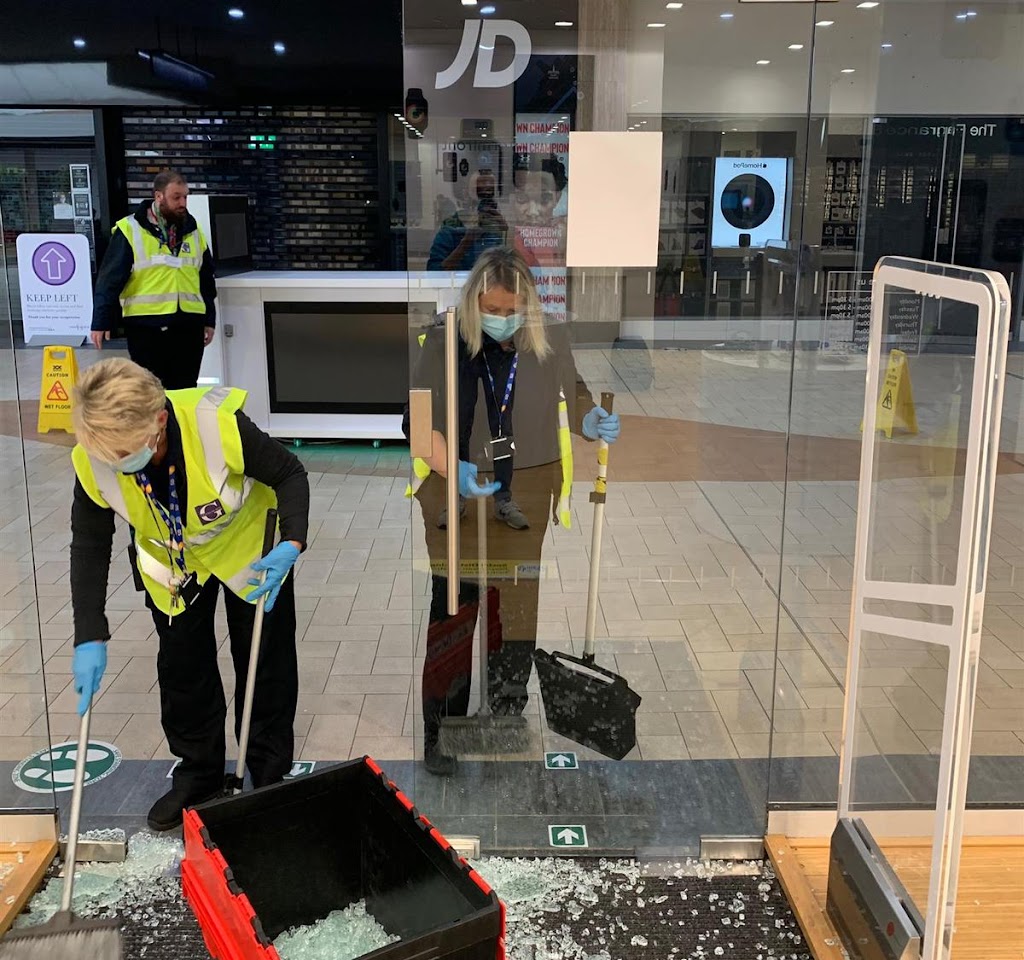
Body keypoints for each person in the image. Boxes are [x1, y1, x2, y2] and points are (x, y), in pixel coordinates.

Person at [403, 247, 620, 774]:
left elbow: (575, 393)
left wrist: (590, 420)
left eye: (513, 309)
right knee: (455, 610)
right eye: (493, 309)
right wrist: (452, 467)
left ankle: (504, 715)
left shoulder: (548, 341)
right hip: (456, 497)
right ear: (473, 303)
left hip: (524, 493)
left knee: (516, 609)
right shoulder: (443, 340)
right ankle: (442, 728)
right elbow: (416, 420)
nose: (503, 319)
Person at [69, 358, 308, 830]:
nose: (113, 464)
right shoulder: (95, 455)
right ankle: (198, 773)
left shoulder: (214, 424)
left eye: (123, 453)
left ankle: (268, 770)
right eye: (106, 455)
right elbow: (90, 543)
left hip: (248, 548)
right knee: (183, 668)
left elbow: (289, 473)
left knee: (265, 661)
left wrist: (292, 543)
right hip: (173, 565)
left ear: (159, 421)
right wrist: (89, 632)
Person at [90, 170, 217, 390]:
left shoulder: (193, 231)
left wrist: (209, 320)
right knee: (150, 391)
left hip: (188, 324)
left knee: (186, 389)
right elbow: (109, 279)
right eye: (176, 197)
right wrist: (101, 320)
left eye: (185, 197)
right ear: (159, 196)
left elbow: (206, 280)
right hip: (146, 326)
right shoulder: (130, 229)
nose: (183, 203)